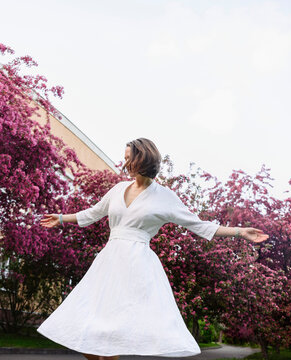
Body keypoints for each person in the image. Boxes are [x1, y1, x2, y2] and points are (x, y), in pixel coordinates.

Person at [37, 138, 269, 360]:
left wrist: (240, 232)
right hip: (109, 261)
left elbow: (199, 225)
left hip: (137, 265)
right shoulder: (118, 189)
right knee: (87, 325)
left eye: (128, 158)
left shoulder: (164, 197)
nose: (124, 163)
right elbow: (94, 212)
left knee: (112, 331)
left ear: (142, 160)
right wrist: (61, 217)